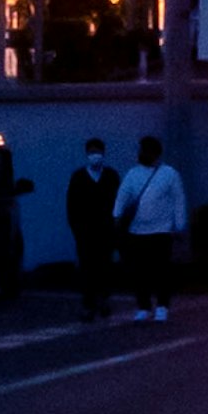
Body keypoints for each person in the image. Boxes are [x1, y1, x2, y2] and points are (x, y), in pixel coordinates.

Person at [115, 132, 188, 324]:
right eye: (141, 150)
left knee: (162, 270)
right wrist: (116, 215)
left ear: (155, 153)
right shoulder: (133, 173)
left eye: (146, 150)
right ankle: (143, 306)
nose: (142, 154)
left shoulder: (169, 174)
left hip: (161, 230)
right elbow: (123, 195)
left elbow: (178, 199)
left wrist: (179, 224)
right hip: (137, 230)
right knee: (139, 271)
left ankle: (162, 306)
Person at [66, 135, 120, 322]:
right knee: (87, 267)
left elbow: (118, 202)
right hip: (85, 231)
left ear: (103, 154)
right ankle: (88, 304)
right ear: (86, 154)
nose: (95, 155)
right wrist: (77, 229)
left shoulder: (111, 176)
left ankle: (104, 300)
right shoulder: (79, 177)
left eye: (97, 152)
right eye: (91, 152)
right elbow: (71, 205)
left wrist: (116, 226)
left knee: (105, 266)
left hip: (106, 229)